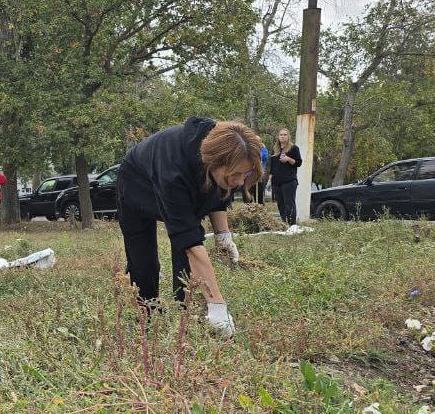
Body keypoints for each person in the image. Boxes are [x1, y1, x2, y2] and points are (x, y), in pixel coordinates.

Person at [115, 117, 263, 339]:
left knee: (185, 255)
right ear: (213, 163)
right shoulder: (174, 172)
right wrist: (217, 304)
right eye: (235, 175)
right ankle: (147, 316)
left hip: (186, 175)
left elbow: (218, 196)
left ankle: (183, 310)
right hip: (136, 183)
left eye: (246, 174)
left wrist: (224, 235)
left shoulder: (228, 151)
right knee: (144, 259)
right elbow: (190, 242)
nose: (240, 182)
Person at [268, 127, 303, 225]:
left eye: (285, 135)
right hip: (276, 182)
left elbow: (299, 163)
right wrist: (269, 181)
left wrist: (288, 159)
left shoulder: (294, 148)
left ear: (288, 136)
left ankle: (292, 224)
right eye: (281, 135)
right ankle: (284, 223)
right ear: (278, 137)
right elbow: (272, 167)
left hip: (289, 181)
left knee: (289, 204)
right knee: (280, 204)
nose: (283, 136)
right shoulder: (275, 149)